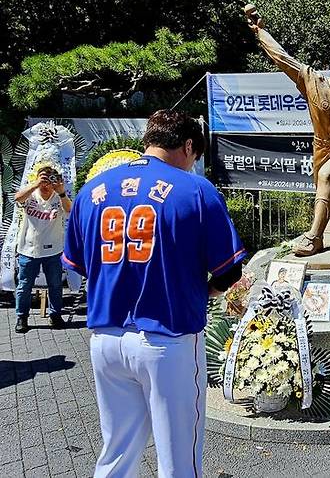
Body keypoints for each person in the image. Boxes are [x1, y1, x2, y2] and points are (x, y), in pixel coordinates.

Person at [62, 110, 246, 477]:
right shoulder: (195, 189)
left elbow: (76, 266)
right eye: (194, 156)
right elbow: (230, 270)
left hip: (105, 340)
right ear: (188, 146)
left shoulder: (94, 189)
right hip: (167, 342)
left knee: (116, 453)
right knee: (178, 460)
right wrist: (207, 290)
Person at [245, 4, 330, 256]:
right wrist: (260, 32)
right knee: (323, 185)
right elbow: (282, 57)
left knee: (327, 176)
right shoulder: (314, 81)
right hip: (320, 146)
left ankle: (315, 238)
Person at [13, 166, 72, 333]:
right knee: (24, 286)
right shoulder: (31, 195)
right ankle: (22, 317)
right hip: (28, 249)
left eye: (49, 179)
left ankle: (55, 315)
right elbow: (17, 198)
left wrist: (61, 192)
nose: (46, 183)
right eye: (43, 179)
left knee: (55, 284)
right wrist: (35, 185)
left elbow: (70, 210)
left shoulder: (58, 198)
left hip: (53, 250)